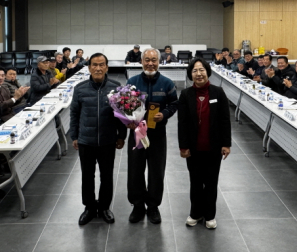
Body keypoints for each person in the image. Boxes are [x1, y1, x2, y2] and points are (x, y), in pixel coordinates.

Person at [70, 53, 127, 225]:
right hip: (86, 141)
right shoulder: (80, 88)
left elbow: (122, 114)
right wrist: (74, 136)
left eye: (102, 64)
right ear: (89, 68)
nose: (98, 68)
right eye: (94, 64)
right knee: (87, 176)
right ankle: (89, 207)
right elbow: (74, 114)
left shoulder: (116, 87)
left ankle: (104, 207)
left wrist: (121, 136)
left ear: (107, 67)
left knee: (106, 176)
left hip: (107, 140)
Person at [126, 48, 178, 224]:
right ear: (141, 61)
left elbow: (174, 104)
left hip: (157, 134)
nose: (150, 63)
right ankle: (137, 205)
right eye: (147, 60)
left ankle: (153, 206)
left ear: (159, 62)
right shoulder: (132, 82)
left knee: (156, 170)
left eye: (154, 60)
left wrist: (164, 114)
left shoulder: (167, 83)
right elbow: (124, 105)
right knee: (135, 170)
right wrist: (128, 120)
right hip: (136, 134)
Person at [178, 58, 231, 230]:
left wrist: (226, 144)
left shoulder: (218, 92)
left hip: (213, 147)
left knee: (211, 182)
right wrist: (183, 146)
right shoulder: (185, 94)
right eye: (195, 71)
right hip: (193, 148)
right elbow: (182, 123)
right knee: (195, 182)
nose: (199, 74)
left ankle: (210, 215)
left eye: (202, 70)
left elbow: (225, 120)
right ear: (190, 74)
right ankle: (195, 213)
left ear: (207, 72)